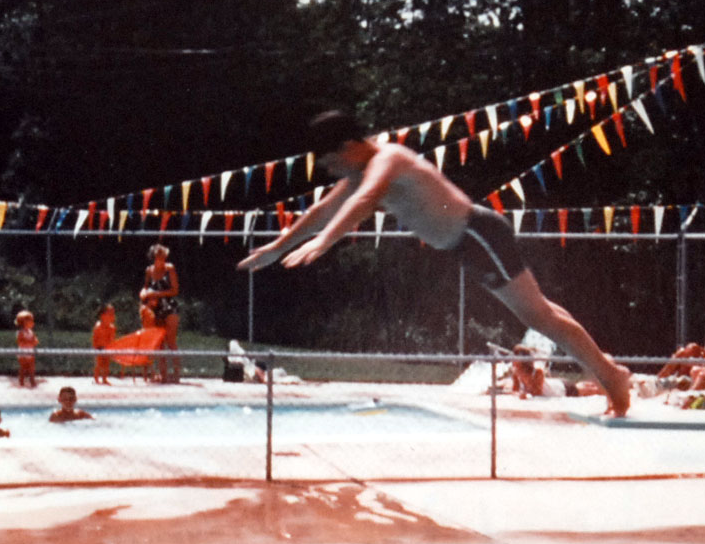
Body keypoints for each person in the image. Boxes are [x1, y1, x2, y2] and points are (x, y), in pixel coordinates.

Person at [237, 111, 631, 416]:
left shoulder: (387, 159)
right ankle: (607, 371)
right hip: (468, 244)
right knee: (542, 314)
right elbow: (325, 209)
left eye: (333, 163)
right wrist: (278, 244)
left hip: (477, 235)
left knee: (541, 316)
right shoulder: (362, 168)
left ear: (348, 146)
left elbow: (364, 201)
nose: (334, 171)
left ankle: (611, 377)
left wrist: (325, 242)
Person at [140, 244, 180, 383]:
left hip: (169, 307)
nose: (162, 260)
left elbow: (175, 290)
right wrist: (144, 294)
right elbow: (145, 287)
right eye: (159, 257)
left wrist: (157, 294)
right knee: (160, 343)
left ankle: (176, 374)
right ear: (154, 258)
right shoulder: (149, 271)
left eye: (163, 257)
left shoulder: (170, 269)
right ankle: (163, 375)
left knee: (171, 341)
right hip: (156, 308)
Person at [92, 303, 116, 384]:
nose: (112, 316)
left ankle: (104, 379)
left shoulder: (112, 327)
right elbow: (94, 338)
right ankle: (96, 378)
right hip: (99, 347)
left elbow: (112, 339)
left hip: (107, 347)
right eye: (109, 314)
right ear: (102, 316)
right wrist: (95, 347)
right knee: (98, 364)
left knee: (106, 364)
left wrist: (111, 347)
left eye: (113, 314)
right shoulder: (98, 327)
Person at [15, 309, 38, 388]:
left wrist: (34, 341)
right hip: (23, 352)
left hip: (30, 351)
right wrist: (28, 342)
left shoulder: (31, 332)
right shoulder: (20, 332)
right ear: (24, 323)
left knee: (32, 367)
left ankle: (32, 381)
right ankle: (21, 381)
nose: (33, 323)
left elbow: (35, 340)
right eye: (31, 321)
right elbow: (20, 342)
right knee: (23, 367)